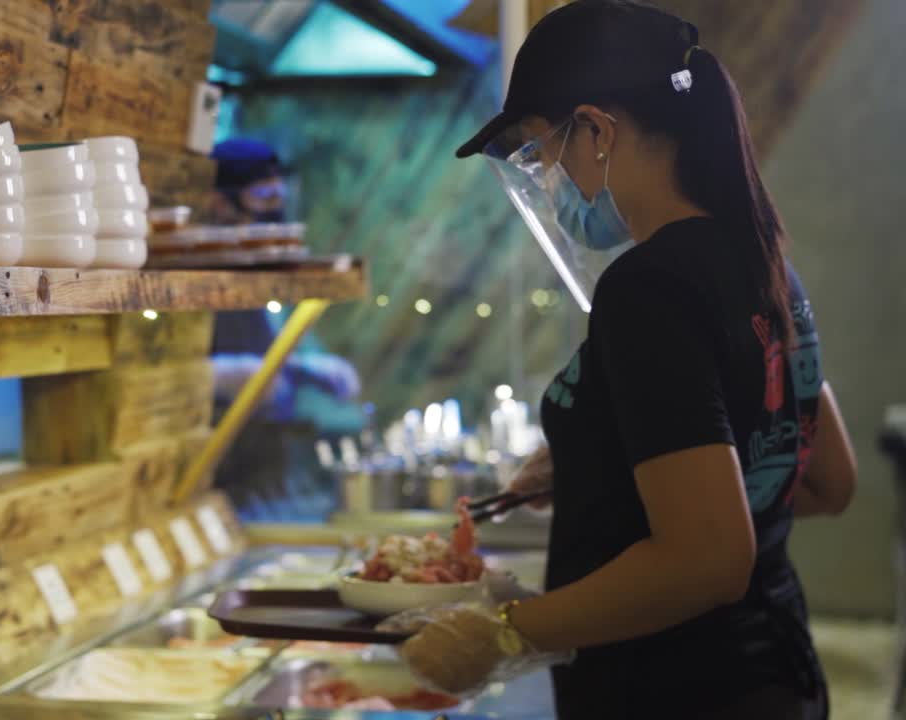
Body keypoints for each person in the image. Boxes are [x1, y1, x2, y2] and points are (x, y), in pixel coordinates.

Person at [395, 2, 858, 719]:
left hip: (678, 691)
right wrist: (615, 466)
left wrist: (503, 633)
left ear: (598, 131)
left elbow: (708, 557)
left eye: (538, 149)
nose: (543, 177)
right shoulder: (761, 262)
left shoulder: (649, 288)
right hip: (775, 672)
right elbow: (825, 478)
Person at [207, 139, 363, 520]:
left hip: (264, 453)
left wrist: (303, 367)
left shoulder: (256, 267)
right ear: (219, 200)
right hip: (208, 454)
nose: (272, 210)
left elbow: (276, 348)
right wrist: (229, 375)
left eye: (278, 194)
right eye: (262, 195)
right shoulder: (196, 261)